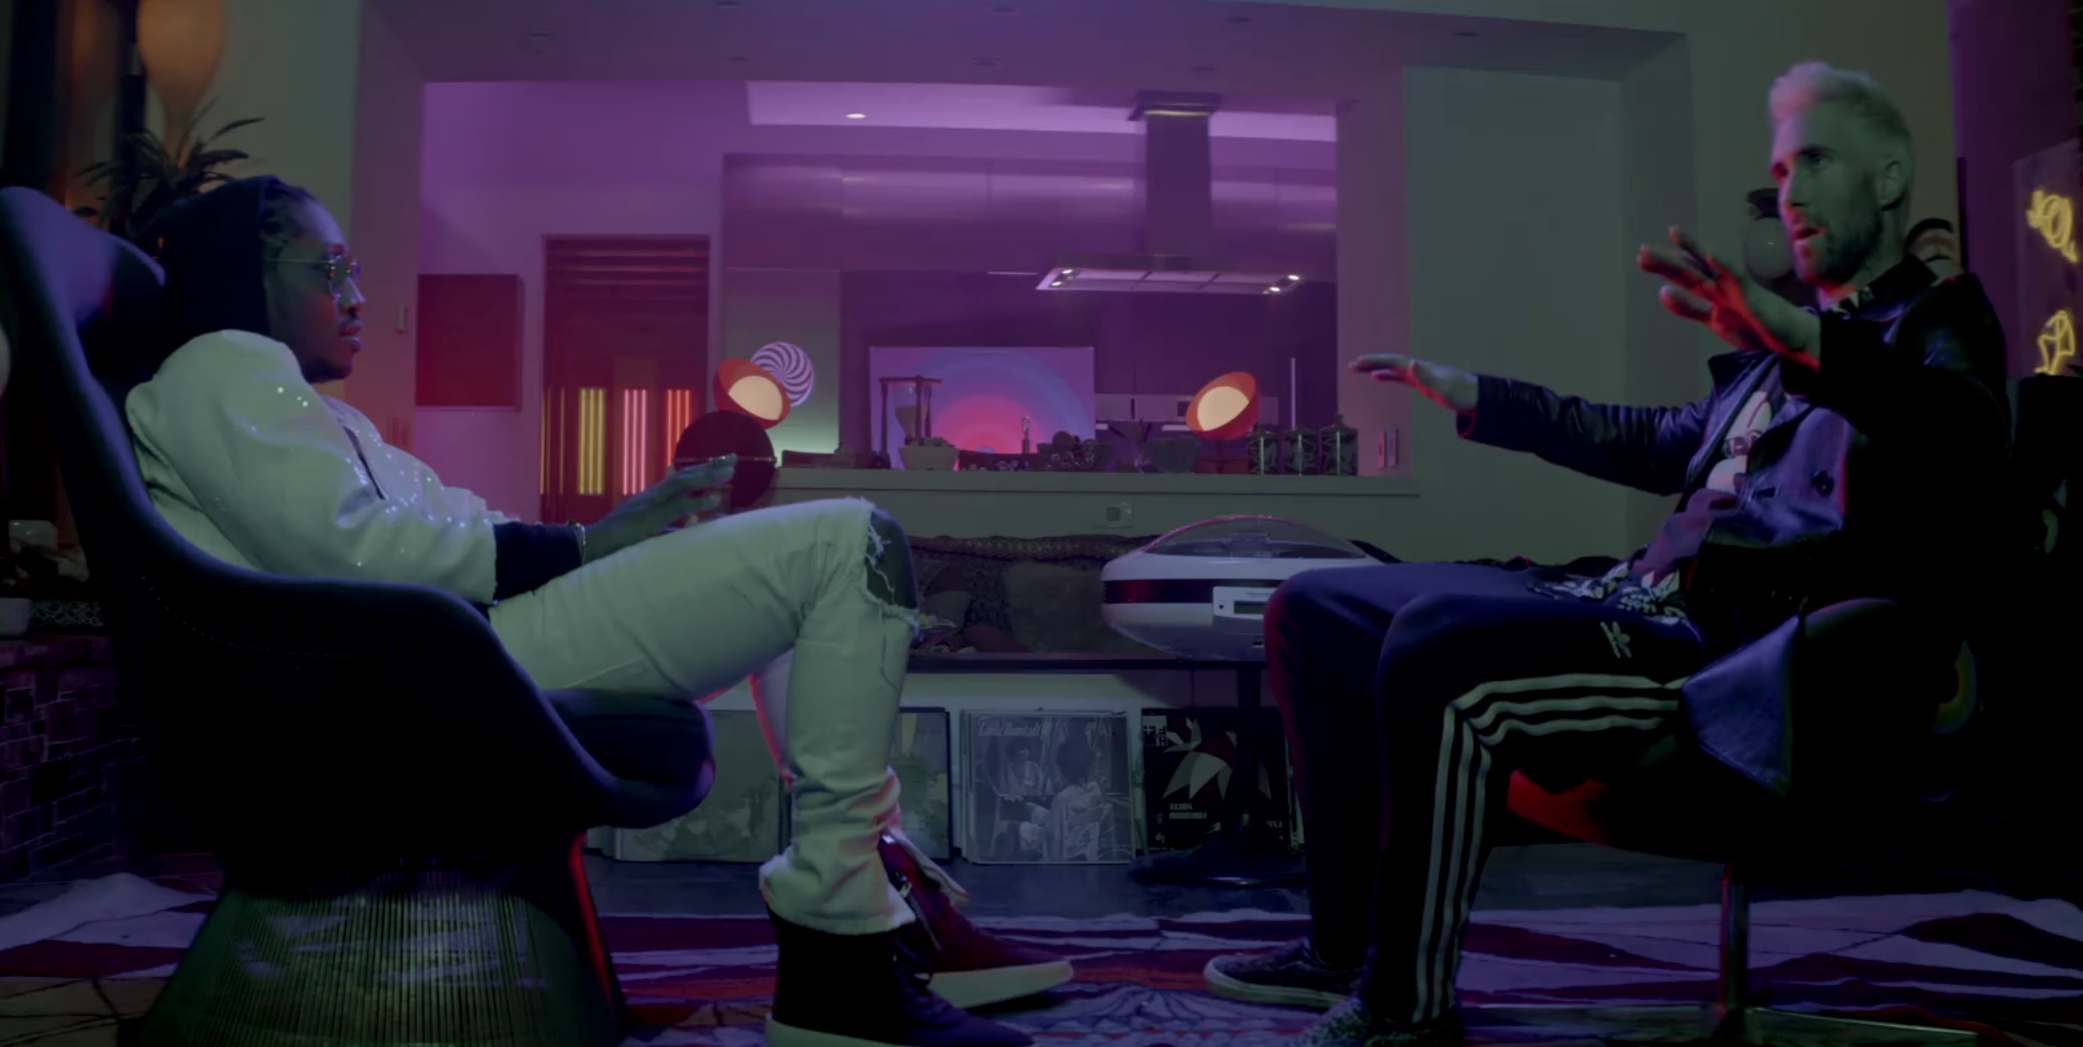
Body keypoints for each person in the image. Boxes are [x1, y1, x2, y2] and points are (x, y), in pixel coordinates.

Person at [123, 176, 1071, 1047]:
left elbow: (449, 525)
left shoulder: (318, 413)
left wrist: (608, 535)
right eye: (332, 270)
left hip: (442, 654)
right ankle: (844, 945)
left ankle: (883, 897)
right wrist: (585, 546)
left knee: (812, 576)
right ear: (244, 275)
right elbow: (357, 553)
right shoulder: (219, 366)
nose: (359, 295)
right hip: (425, 669)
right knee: (848, 541)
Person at [1201, 62, 2011, 1047]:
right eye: (1777, 172)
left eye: (1815, 162)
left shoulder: (1936, 322)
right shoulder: (1772, 356)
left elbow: (1961, 428)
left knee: (1437, 641)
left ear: (1886, 180)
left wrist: (1804, 339)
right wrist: (1484, 397)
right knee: (1313, 608)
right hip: (1636, 599)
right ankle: (1336, 947)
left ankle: (1403, 1006)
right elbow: (1649, 439)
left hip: (1739, 650)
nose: (1789, 193)